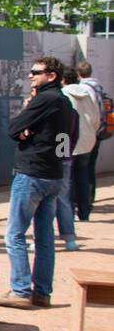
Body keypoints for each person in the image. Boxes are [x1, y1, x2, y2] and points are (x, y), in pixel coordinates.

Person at [0, 57, 74, 310]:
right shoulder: (65, 103)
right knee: (45, 238)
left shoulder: (45, 99)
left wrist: (26, 132)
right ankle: (42, 292)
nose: (30, 76)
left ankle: (20, 290)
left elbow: (12, 127)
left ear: (51, 76)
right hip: (52, 174)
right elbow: (67, 137)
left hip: (31, 172)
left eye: (35, 72)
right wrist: (54, 154)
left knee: (15, 234)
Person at [62, 67, 100, 230]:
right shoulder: (87, 93)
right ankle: (84, 212)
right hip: (87, 139)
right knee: (83, 175)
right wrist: (91, 132)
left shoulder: (63, 94)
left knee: (67, 178)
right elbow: (96, 117)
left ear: (63, 79)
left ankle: (68, 213)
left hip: (68, 140)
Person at [77, 60, 106, 205]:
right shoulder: (98, 88)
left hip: (84, 135)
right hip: (96, 133)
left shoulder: (82, 89)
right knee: (89, 168)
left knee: (78, 169)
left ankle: (83, 202)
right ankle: (88, 201)